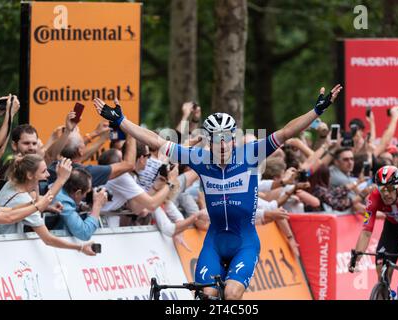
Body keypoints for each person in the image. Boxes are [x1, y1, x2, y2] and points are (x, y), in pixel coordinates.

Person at [94, 84, 342, 300]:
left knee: (233, 294)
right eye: (215, 139)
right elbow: (157, 142)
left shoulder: (251, 154)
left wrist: (317, 111)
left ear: (234, 139)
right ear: (207, 141)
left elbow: (287, 132)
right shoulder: (199, 158)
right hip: (214, 241)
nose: (222, 144)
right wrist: (121, 122)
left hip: (244, 241)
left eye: (226, 138)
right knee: (204, 294)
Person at [349, 166, 398, 300]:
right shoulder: (374, 198)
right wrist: (356, 259)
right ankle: (386, 291)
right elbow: (366, 231)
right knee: (381, 267)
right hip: (392, 226)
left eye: (390, 188)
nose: (386, 193)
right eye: (382, 189)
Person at [0, 154, 96, 256]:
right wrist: (81, 248)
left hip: (0, 247)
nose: (48, 175)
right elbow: (48, 239)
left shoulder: (12, 184)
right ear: (30, 175)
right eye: (44, 171)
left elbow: (34, 202)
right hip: (4, 252)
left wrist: (47, 206)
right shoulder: (23, 198)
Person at [54, 167, 108, 240]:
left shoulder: (57, 188)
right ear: (78, 193)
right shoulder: (63, 203)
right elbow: (84, 233)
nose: (86, 196)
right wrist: (97, 205)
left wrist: (80, 206)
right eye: (86, 192)